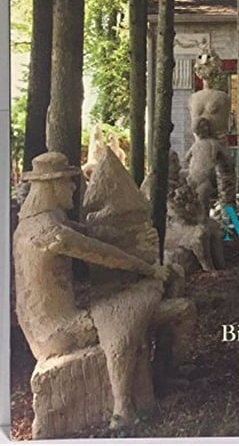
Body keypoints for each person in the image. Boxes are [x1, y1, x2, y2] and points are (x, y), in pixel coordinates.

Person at [13, 152, 169, 428]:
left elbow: (85, 233)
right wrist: (149, 269)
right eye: (68, 182)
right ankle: (122, 408)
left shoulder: (35, 222)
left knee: (124, 303)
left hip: (39, 326)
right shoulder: (49, 230)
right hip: (56, 332)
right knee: (126, 308)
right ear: (51, 185)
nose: (74, 188)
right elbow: (101, 253)